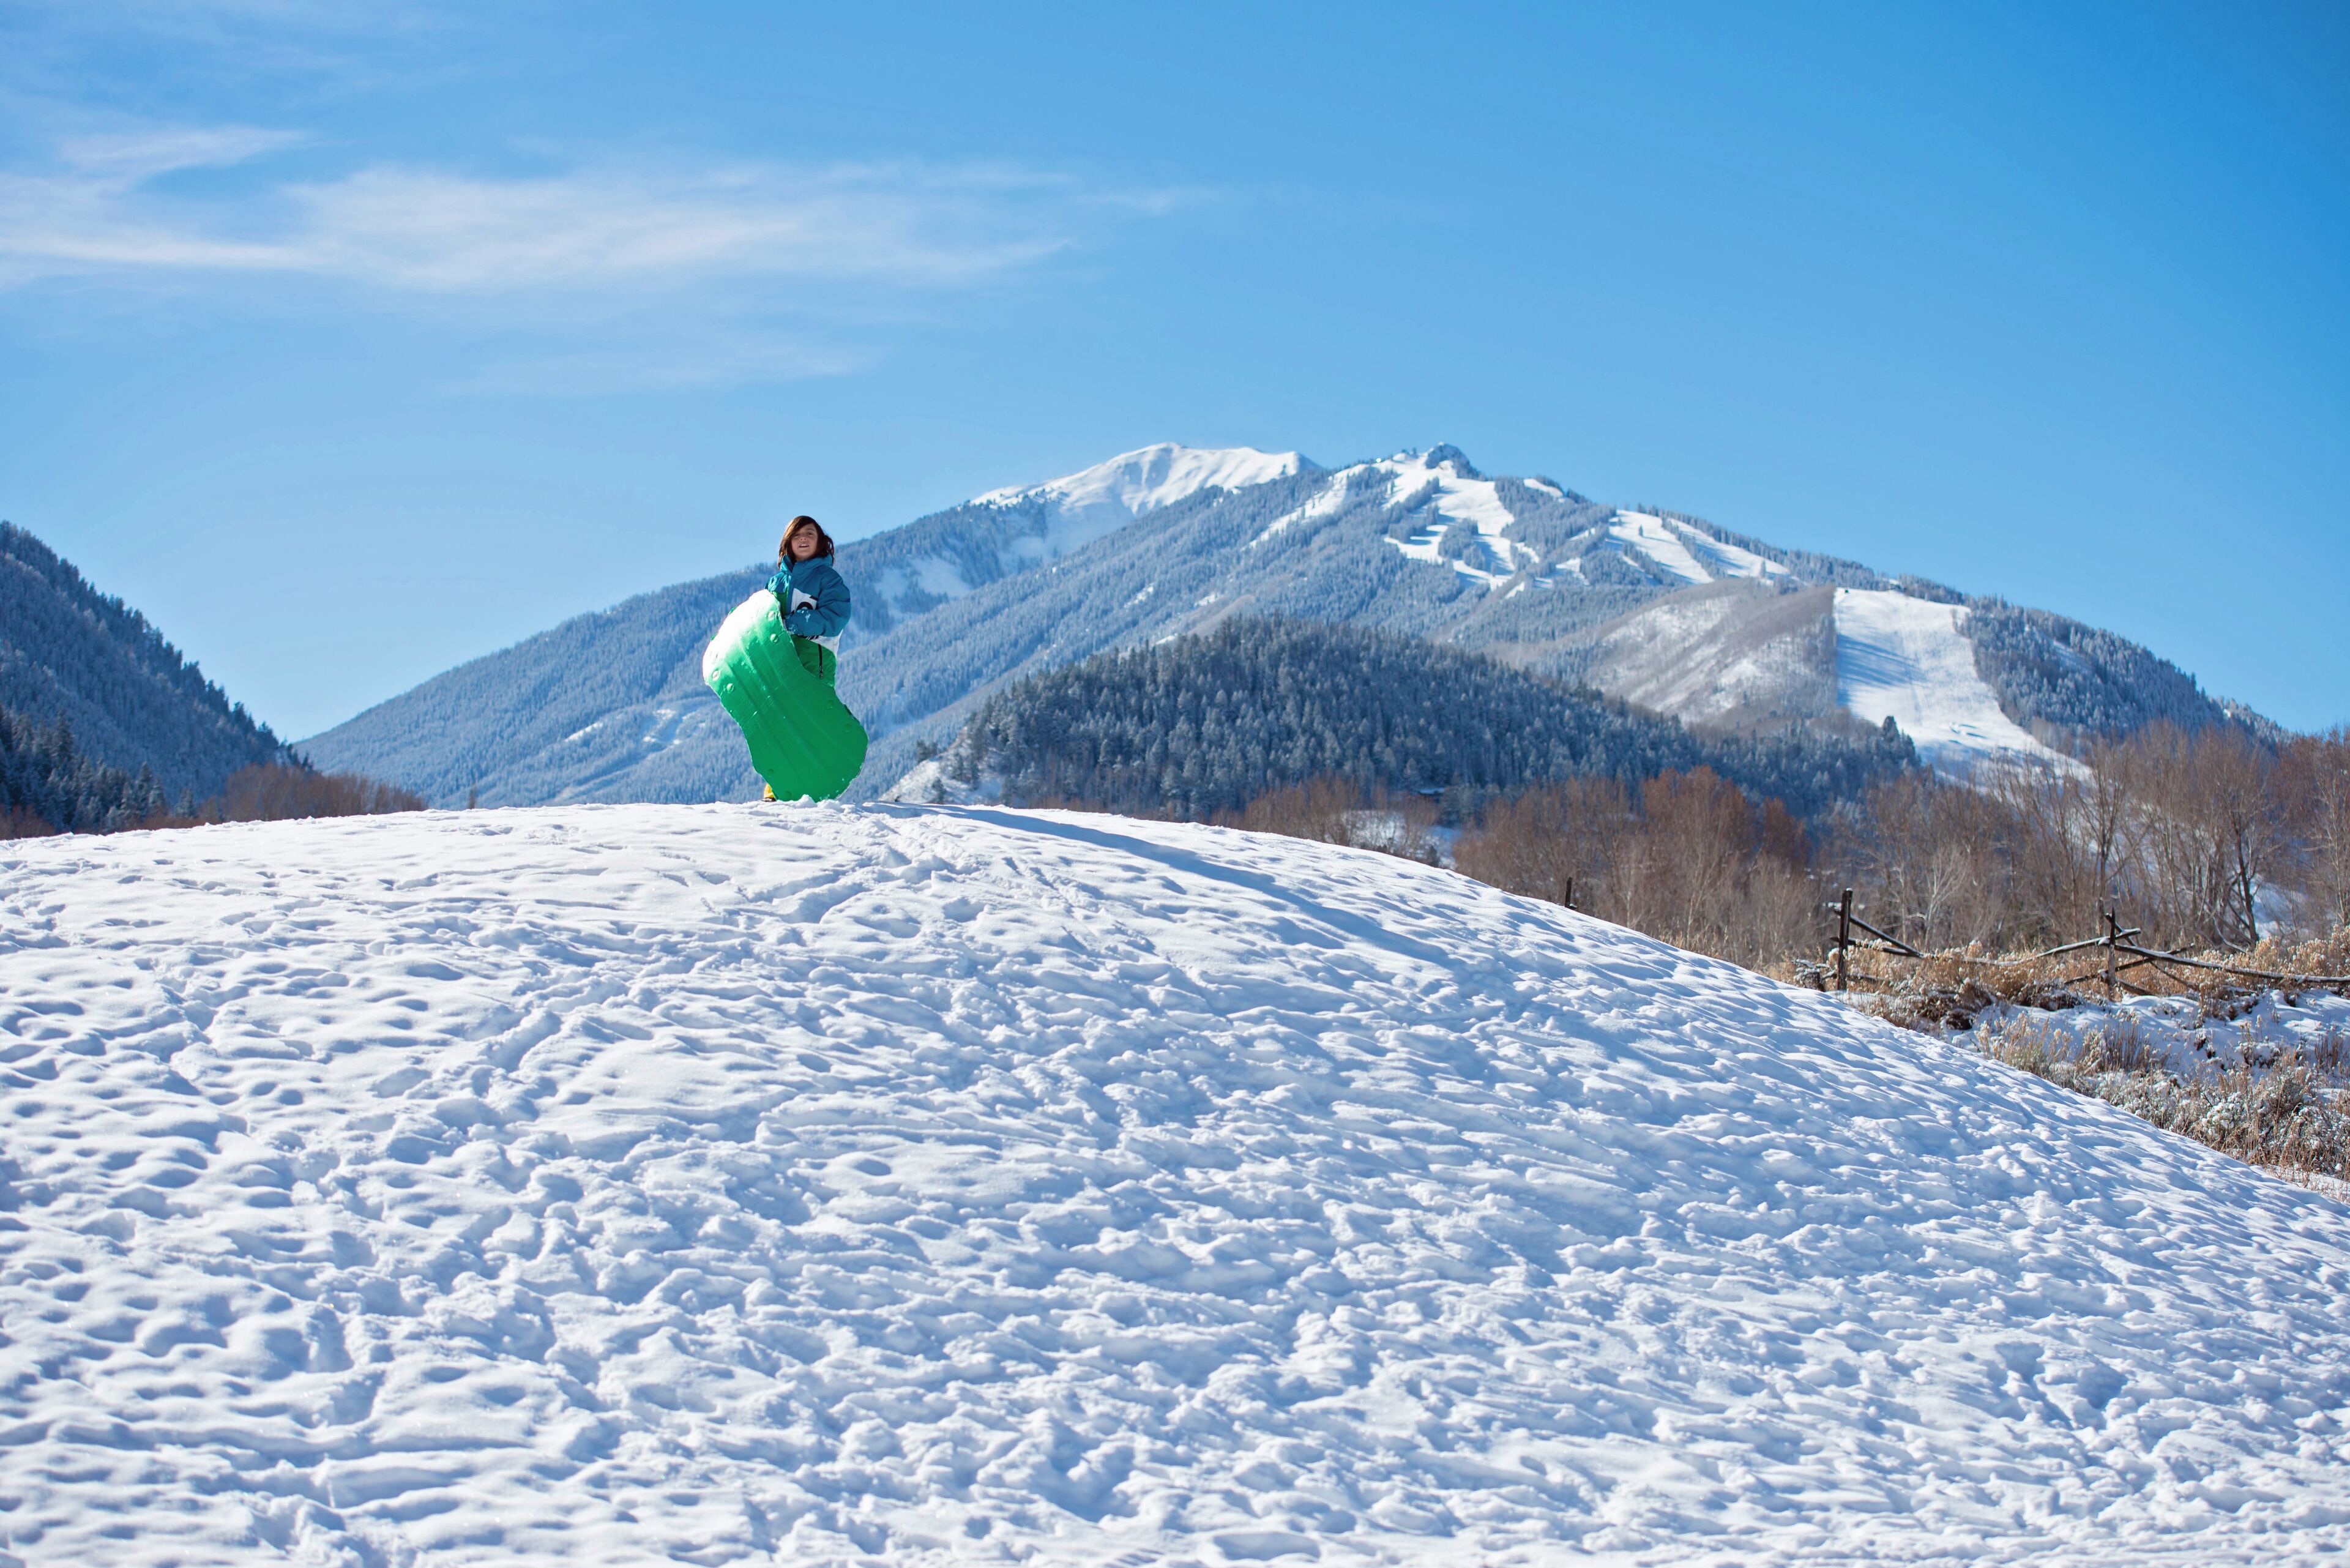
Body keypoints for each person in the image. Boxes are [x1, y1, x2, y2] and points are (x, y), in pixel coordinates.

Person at [760, 515, 853, 801]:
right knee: (779, 719)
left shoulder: (828, 579)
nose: (803, 538)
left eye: (810, 534)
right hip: (781, 659)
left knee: (809, 717)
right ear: (787, 542)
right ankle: (777, 787)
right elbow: (764, 618)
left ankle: (813, 783)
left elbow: (835, 617)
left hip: (816, 658)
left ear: (821, 541)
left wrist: (794, 623)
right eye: (797, 534)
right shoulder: (777, 582)